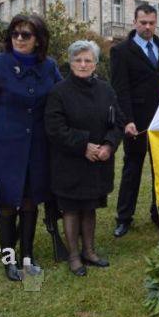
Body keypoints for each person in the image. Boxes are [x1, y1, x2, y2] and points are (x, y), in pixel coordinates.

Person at [0, 14, 62, 281]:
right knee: (7, 202)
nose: (19, 39)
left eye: (26, 35)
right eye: (15, 34)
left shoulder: (49, 66)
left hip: (37, 147)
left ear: (39, 40)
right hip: (4, 148)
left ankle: (27, 255)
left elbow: (61, 98)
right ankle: (8, 259)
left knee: (31, 200)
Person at [45, 40, 124, 276]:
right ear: (70, 63)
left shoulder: (106, 90)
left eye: (87, 60)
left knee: (90, 207)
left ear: (96, 64)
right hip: (70, 162)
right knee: (71, 209)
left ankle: (89, 252)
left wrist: (109, 145)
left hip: (98, 163)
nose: (82, 64)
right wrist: (83, 145)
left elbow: (118, 121)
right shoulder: (58, 92)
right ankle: (73, 256)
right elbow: (54, 128)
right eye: (78, 60)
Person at [111, 3, 159, 237]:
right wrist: (126, 120)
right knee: (132, 169)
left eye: (151, 23)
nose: (147, 27)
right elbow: (120, 89)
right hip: (136, 123)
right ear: (134, 23)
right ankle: (124, 218)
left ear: (156, 23)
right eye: (143, 23)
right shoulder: (121, 51)